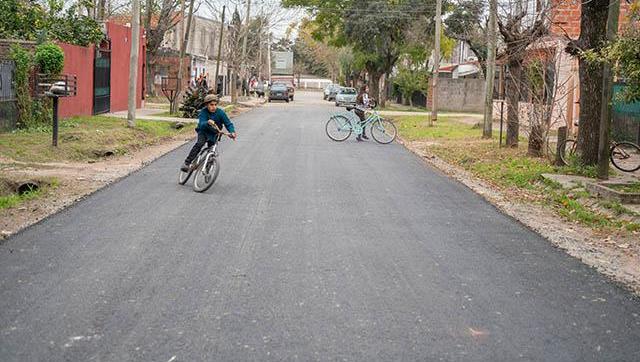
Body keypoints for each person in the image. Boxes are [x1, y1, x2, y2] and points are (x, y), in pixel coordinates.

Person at [180, 94, 237, 172]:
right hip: (203, 132)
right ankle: (187, 162)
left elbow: (228, 123)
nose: (214, 107)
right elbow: (201, 124)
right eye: (211, 105)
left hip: (214, 134)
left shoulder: (220, 113)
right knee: (200, 144)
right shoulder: (203, 112)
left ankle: (208, 166)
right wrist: (207, 122)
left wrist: (232, 132)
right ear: (207, 105)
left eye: (215, 105)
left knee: (212, 150)